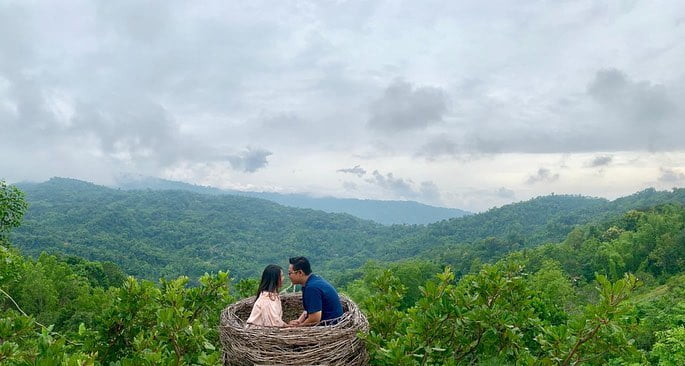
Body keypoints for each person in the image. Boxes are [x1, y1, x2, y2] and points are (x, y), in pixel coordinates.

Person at [287, 256, 343, 326]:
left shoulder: (312, 288)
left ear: (300, 273)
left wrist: (298, 328)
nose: (289, 276)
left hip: (329, 327)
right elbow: (311, 308)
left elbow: (315, 318)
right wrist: (299, 321)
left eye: (290, 273)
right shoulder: (314, 280)